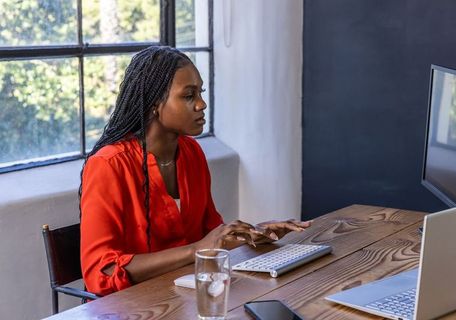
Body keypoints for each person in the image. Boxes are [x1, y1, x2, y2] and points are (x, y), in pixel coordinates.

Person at [79, 46, 311, 297]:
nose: (202, 104)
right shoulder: (109, 165)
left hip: (189, 296)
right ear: (155, 104)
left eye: (200, 92)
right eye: (189, 96)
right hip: (136, 307)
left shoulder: (191, 153)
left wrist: (256, 234)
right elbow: (100, 272)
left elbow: (211, 236)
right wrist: (196, 250)